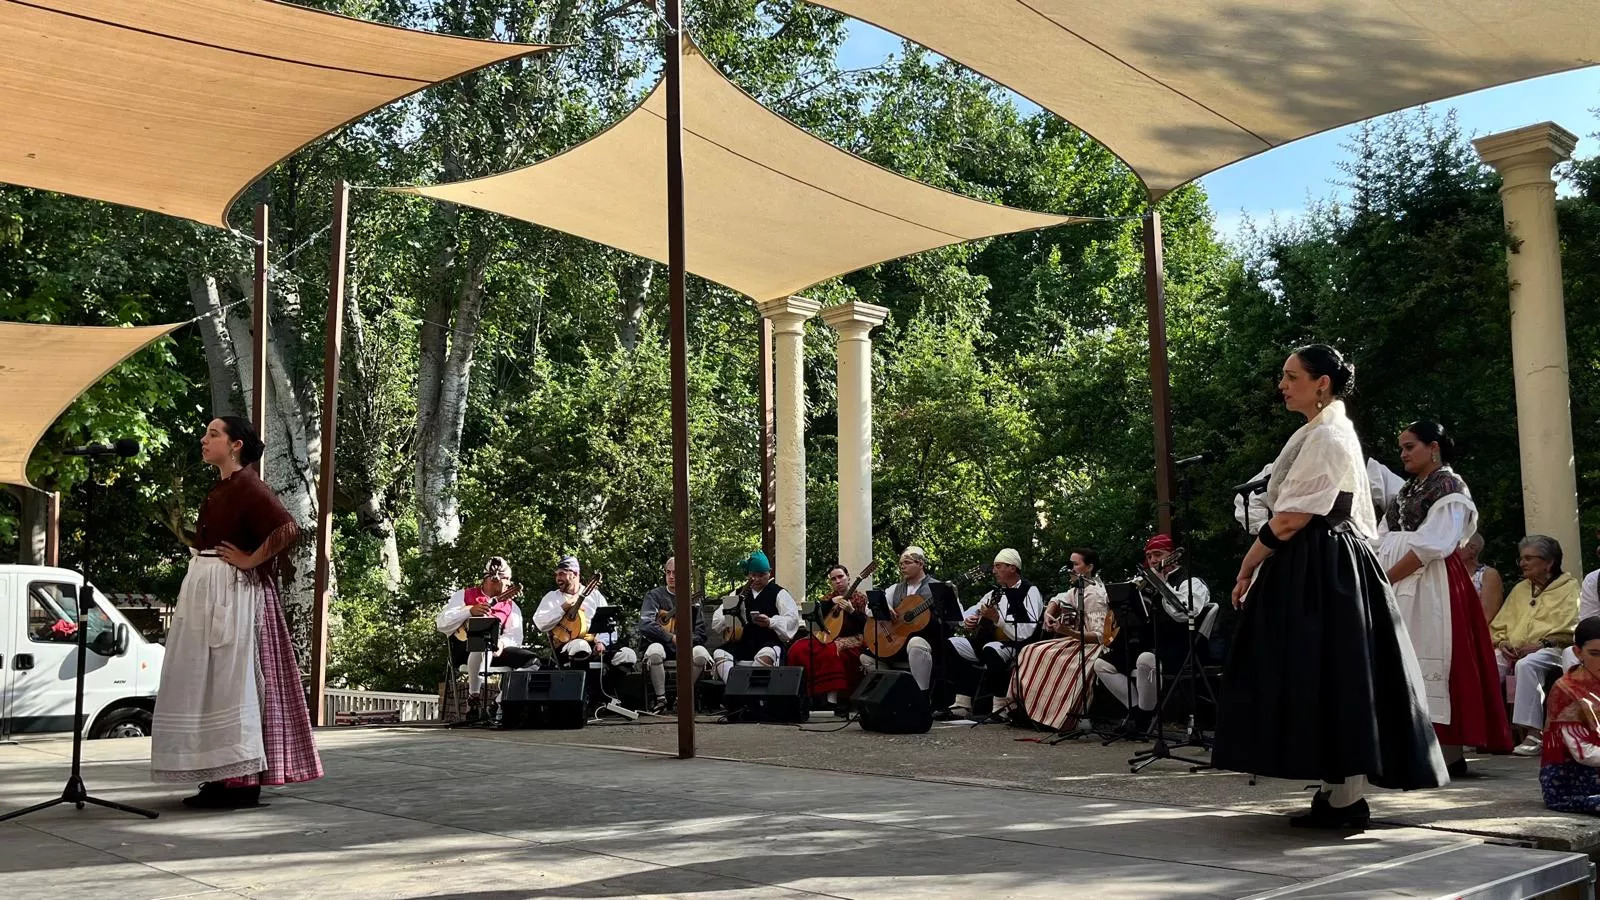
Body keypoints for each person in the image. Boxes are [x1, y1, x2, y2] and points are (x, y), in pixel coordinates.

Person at [1213, 344, 1445, 830]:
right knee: (1327, 675)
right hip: (1322, 564)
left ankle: (1344, 798)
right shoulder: (1324, 430)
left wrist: (1247, 565)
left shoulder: (1330, 436)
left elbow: (1294, 516)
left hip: (1325, 565)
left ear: (1323, 383)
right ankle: (1337, 792)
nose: (1283, 384)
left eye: (1291, 376)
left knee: (1334, 674)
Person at [152, 416, 322, 809]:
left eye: (213, 434)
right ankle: (221, 774)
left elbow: (287, 528)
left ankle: (242, 780)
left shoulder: (249, 485)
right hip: (212, 590)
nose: (204, 439)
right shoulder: (224, 487)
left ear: (236, 445)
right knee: (212, 683)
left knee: (237, 681)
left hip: (236, 596)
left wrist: (249, 561)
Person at [1377, 422, 1512, 773]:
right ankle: (1411, 748)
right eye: (1402, 448)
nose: (1404, 454)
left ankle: (1449, 754)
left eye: (1410, 447)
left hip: (1434, 586)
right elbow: (1382, 534)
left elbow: (1435, 543)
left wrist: (1384, 578)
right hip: (1402, 582)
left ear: (1433, 447)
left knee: (1440, 659)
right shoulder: (1408, 490)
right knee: (1403, 658)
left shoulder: (1450, 487)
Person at [1091, 534, 1209, 737]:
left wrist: (1162, 586)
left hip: (1179, 645)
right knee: (1102, 665)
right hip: (1147, 643)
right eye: (1149, 555)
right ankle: (1138, 711)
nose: (1153, 560)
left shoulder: (1192, 582)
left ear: (1173, 556)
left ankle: (1144, 718)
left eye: (1158, 554)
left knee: (1145, 660)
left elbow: (1186, 612)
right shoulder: (1144, 581)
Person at [1491, 535, 1581, 756]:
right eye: (1521, 559)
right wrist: (1503, 642)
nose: (1523, 563)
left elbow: (1572, 629)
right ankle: (1492, 732)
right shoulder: (1521, 589)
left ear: (1549, 562)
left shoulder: (1569, 588)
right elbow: (1500, 624)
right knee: (1490, 664)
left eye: (1529, 558)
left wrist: (1541, 644)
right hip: (1514, 649)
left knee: (1528, 664)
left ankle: (1533, 734)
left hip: (1554, 648)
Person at [1011, 548, 1111, 731]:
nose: (1070, 569)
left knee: (1056, 661)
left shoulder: (1096, 594)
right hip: (1077, 641)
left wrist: (1067, 631)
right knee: (1030, 650)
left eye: (1075, 564)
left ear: (1089, 567)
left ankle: (1056, 717)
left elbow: (1100, 636)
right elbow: (1058, 599)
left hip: (1093, 646)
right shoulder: (1079, 589)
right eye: (1070, 564)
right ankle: (1027, 708)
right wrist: (1049, 613)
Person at [948, 548, 1043, 719]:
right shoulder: (995, 593)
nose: (993, 571)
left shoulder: (1029, 591)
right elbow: (972, 612)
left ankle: (1001, 707)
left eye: (998, 566)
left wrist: (998, 619)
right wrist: (970, 621)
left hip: (1017, 645)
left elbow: (1025, 632)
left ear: (1012, 568)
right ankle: (962, 702)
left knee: (991, 649)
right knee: (951, 645)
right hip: (987, 642)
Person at [860, 546, 950, 715]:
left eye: (907, 562)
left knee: (916, 644)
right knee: (866, 658)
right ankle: (894, 693)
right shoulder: (895, 588)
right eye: (900, 563)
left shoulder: (938, 588)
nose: (902, 567)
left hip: (928, 641)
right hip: (897, 642)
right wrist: (885, 607)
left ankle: (921, 698)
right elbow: (869, 607)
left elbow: (954, 616)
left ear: (920, 563)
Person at [434, 556, 536, 702]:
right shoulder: (464, 596)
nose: (509, 584)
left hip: (495, 652)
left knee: (533, 662)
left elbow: (515, 636)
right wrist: (469, 612)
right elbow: (441, 623)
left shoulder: (511, 606)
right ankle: (473, 698)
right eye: (507, 579)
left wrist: (502, 643)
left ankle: (501, 700)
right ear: (494, 579)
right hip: (463, 649)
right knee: (481, 643)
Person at [787, 563, 869, 713]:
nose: (837, 581)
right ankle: (803, 695)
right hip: (827, 636)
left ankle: (832, 700)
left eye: (840, 577)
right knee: (797, 649)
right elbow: (816, 615)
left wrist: (851, 611)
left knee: (831, 651)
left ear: (849, 578)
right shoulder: (828, 598)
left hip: (853, 638)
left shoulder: (860, 599)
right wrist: (832, 602)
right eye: (833, 579)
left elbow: (866, 625)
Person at [635, 556, 712, 714]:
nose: (671, 576)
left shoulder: (693, 601)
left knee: (702, 654)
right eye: (668, 572)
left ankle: (682, 699)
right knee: (655, 651)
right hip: (660, 644)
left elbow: (700, 633)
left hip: (684, 647)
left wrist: (685, 640)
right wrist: (670, 637)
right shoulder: (654, 596)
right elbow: (645, 624)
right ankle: (660, 699)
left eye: (675, 573)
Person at [1539, 617, 1600, 813]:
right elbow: (1582, 752)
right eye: (1595, 654)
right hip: (1571, 782)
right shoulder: (1565, 690)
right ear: (1577, 652)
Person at [711, 551, 800, 682]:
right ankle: (735, 690)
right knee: (720, 654)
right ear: (748, 574)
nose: (757, 579)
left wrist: (771, 622)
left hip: (768, 641)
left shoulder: (779, 593)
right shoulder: (738, 593)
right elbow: (716, 621)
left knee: (766, 654)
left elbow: (792, 619)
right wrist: (730, 616)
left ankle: (755, 695)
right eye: (753, 575)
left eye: (761, 575)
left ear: (769, 573)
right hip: (742, 643)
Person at [531, 555, 626, 667]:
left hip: (595, 645)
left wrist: (602, 642)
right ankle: (581, 684)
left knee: (626, 655)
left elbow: (608, 624)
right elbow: (540, 623)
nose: (558, 578)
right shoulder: (552, 597)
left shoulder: (594, 595)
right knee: (580, 646)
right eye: (556, 574)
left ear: (575, 574)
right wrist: (565, 606)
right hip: (566, 647)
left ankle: (608, 684)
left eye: (562, 574)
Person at [1456, 533, 1505, 623]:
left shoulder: (1488, 575)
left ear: (1472, 549)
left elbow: (1486, 616)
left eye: (1456, 544)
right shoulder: (1450, 574)